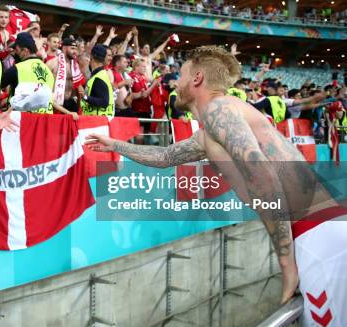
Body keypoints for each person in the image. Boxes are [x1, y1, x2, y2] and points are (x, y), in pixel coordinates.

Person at [87, 45, 347, 325]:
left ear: (197, 78)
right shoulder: (215, 123)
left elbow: (264, 178)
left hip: (317, 235)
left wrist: (286, 266)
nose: (175, 82)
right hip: (318, 229)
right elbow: (165, 157)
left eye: (182, 75)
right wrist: (116, 145)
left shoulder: (217, 109)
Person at [1, 32, 54, 114]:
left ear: (25, 51)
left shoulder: (18, 68)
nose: (15, 52)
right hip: (44, 122)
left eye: (17, 50)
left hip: (23, 121)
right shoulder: (48, 71)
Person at [46, 37, 84, 119]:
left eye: (76, 49)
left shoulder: (76, 66)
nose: (75, 52)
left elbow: (79, 88)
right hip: (56, 104)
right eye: (72, 48)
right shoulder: (52, 63)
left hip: (71, 103)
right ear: (64, 48)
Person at [81, 44, 114, 117]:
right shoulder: (99, 75)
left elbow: (104, 102)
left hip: (97, 123)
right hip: (97, 121)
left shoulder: (99, 77)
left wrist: (85, 97)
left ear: (91, 56)